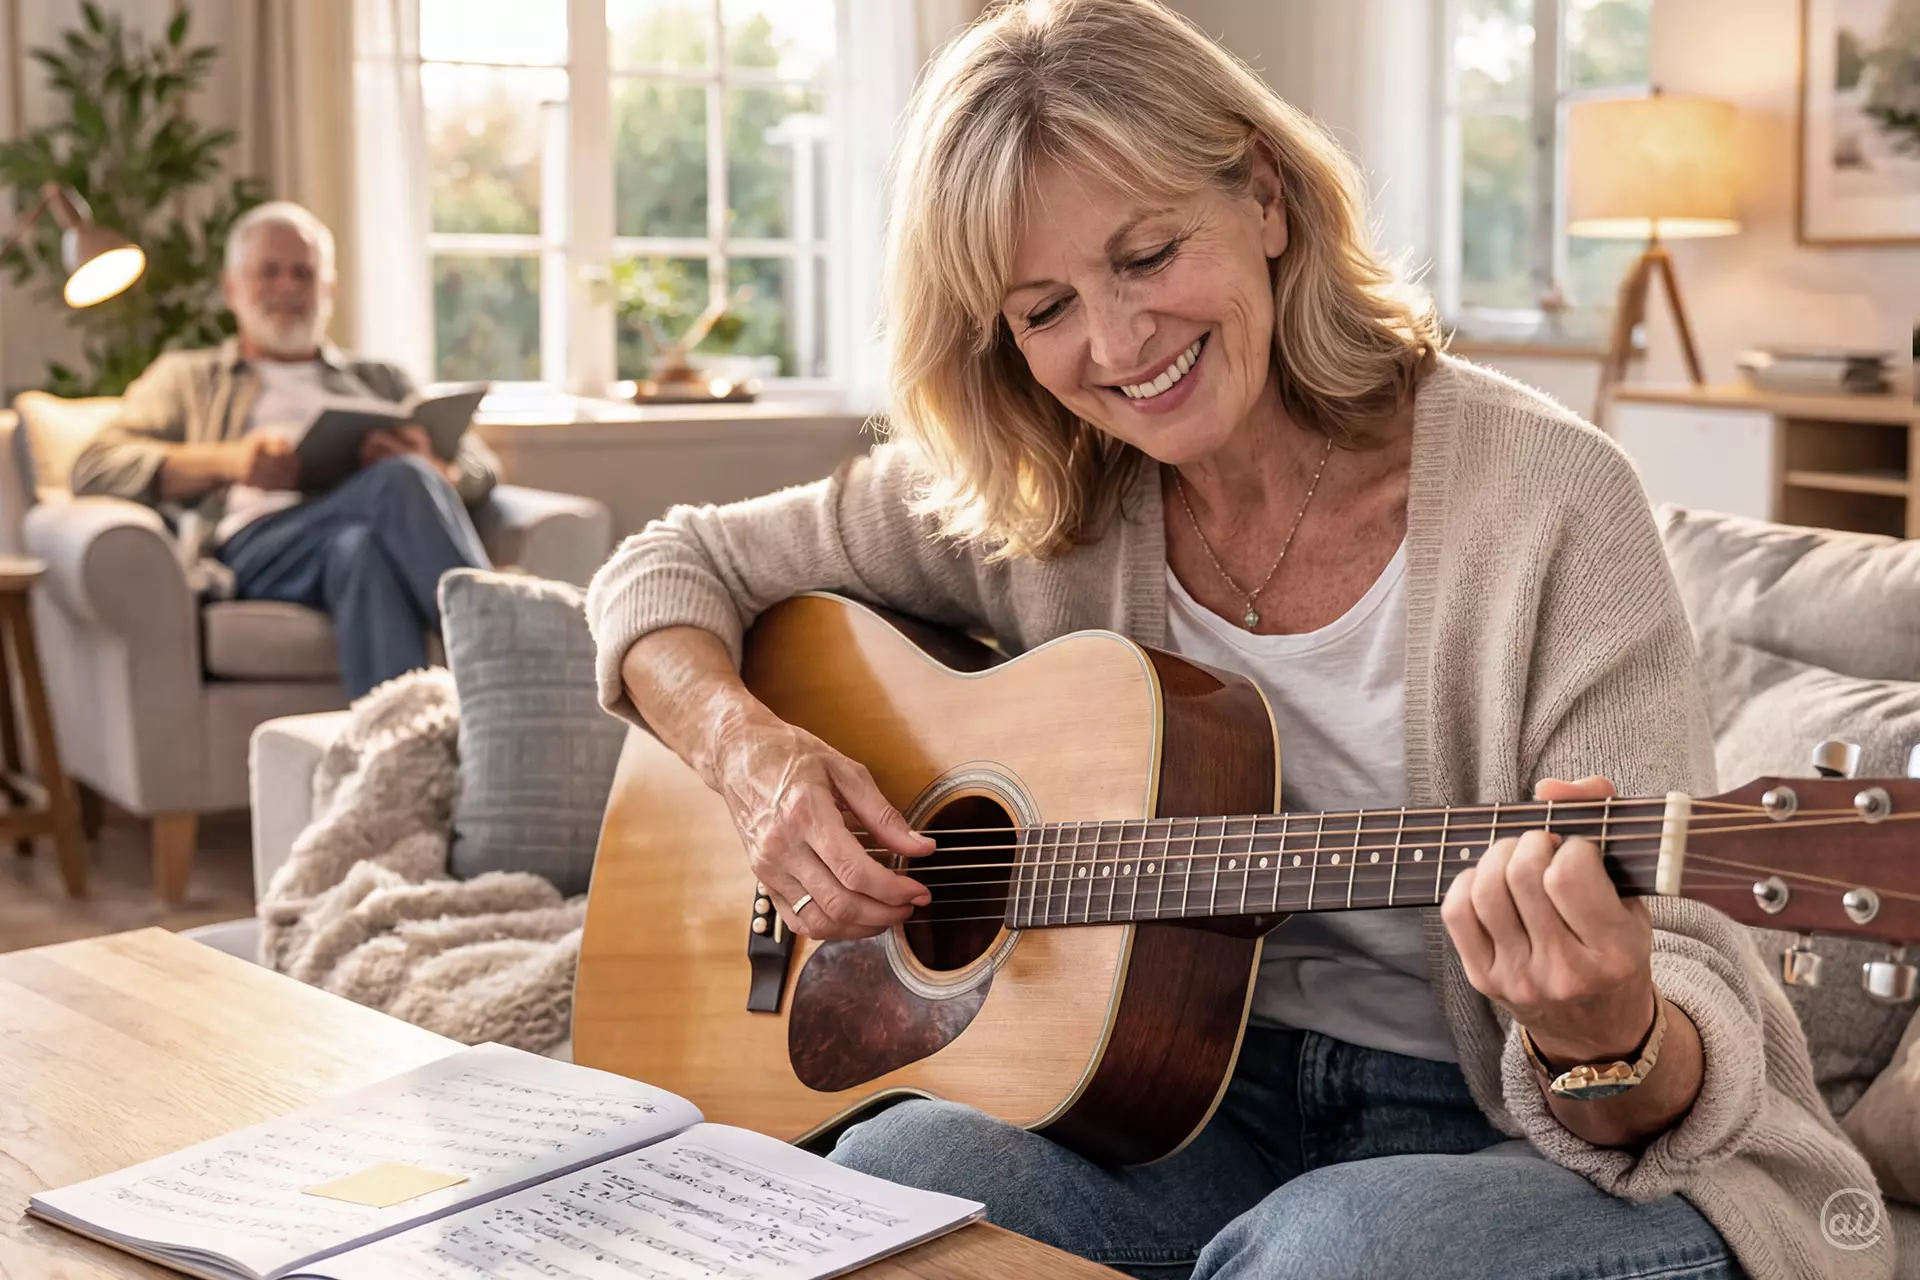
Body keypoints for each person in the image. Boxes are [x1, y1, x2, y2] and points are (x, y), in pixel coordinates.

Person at [585, 2, 1886, 1277]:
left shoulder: (1551, 504)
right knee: (891, 1182)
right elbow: (664, 567)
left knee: (1332, 1252)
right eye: (1043, 310)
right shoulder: (1037, 497)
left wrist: (1597, 1032)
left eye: (1147, 256)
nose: (1114, 344)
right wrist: (754, 760)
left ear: (1265, 197)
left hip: (1530, 1143)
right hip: (1184, 1108)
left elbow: (1667, 1076)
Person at [70, 201, 495, 698]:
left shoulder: (379, 379)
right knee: (399, 480)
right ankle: (509, 657)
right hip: (256, 544)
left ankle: (396, 755)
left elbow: (482, 465)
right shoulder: (188, 376)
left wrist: (434, 466)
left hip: (354, 530)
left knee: (361, 551)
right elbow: (94, 467)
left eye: (303, 272)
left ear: (329, 288)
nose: (289, 287)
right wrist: (227, 462)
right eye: (268, 272)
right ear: (232, 288)